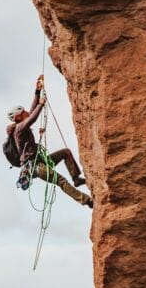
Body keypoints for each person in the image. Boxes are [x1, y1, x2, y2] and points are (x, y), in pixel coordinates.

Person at [6, 75, 93, 208]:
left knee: (66, 152)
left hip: (40, 161)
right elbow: (32, 118)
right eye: (23, 112)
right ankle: (86, 200)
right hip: (35, 167)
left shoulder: (21, 124)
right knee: (61, 181)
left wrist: (37, 91)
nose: (27, 112)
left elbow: (32, 111)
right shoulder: (19, 129)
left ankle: (76, 178)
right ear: (18, 116)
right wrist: (41, 104)